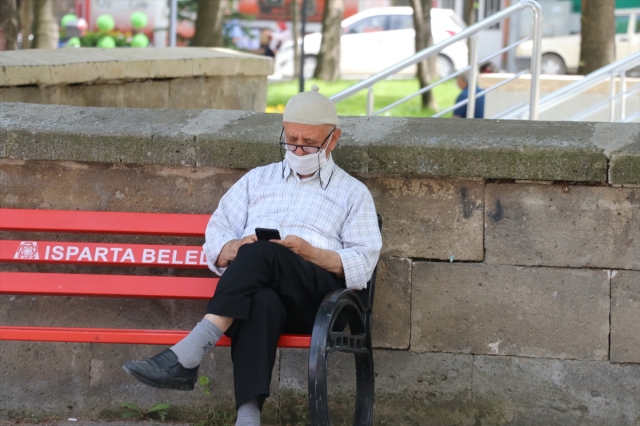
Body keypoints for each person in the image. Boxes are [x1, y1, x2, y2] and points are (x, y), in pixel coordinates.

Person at [123, 85, 383, 426]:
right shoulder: (256, 180)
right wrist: (232, 248)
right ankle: (248, 418)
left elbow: (363, 262)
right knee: (260, 298)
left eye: (308, 143)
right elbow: (216, 234)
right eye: (291, 140)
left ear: (333, 140)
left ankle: (188, 354)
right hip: (260, 292)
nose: (298, 149)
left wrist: (312, 252)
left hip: (317, 300)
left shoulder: (352, 193)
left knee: (265, 253)